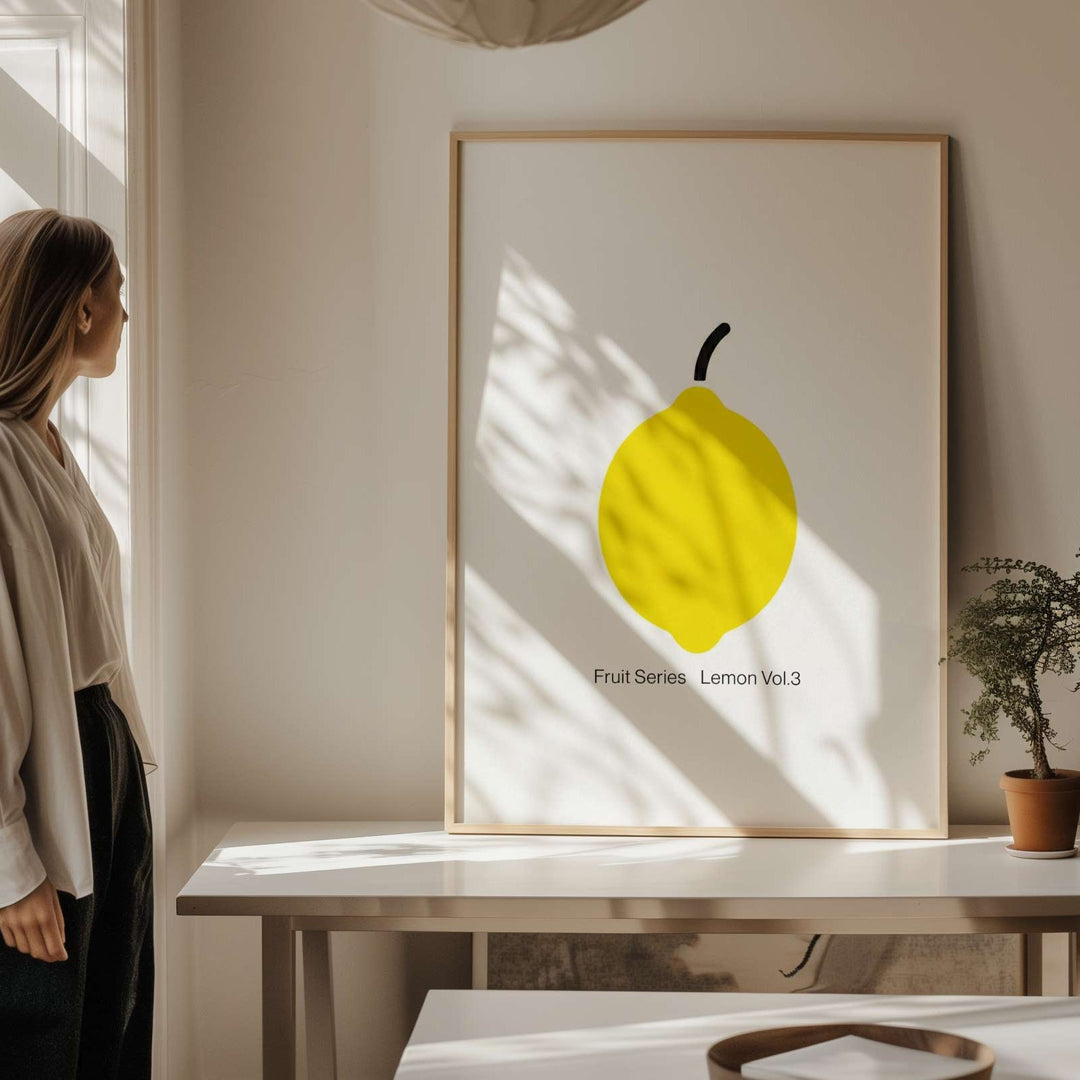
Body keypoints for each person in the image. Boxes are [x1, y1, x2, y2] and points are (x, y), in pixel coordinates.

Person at [0, 208, 157, 1078]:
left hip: (100, 758)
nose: (126, 314)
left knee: (113, 1023)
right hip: (49, 765)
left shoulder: (45, 445)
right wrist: (9, 862)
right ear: (82, 309)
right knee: (42, 1037)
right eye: (119, 291)